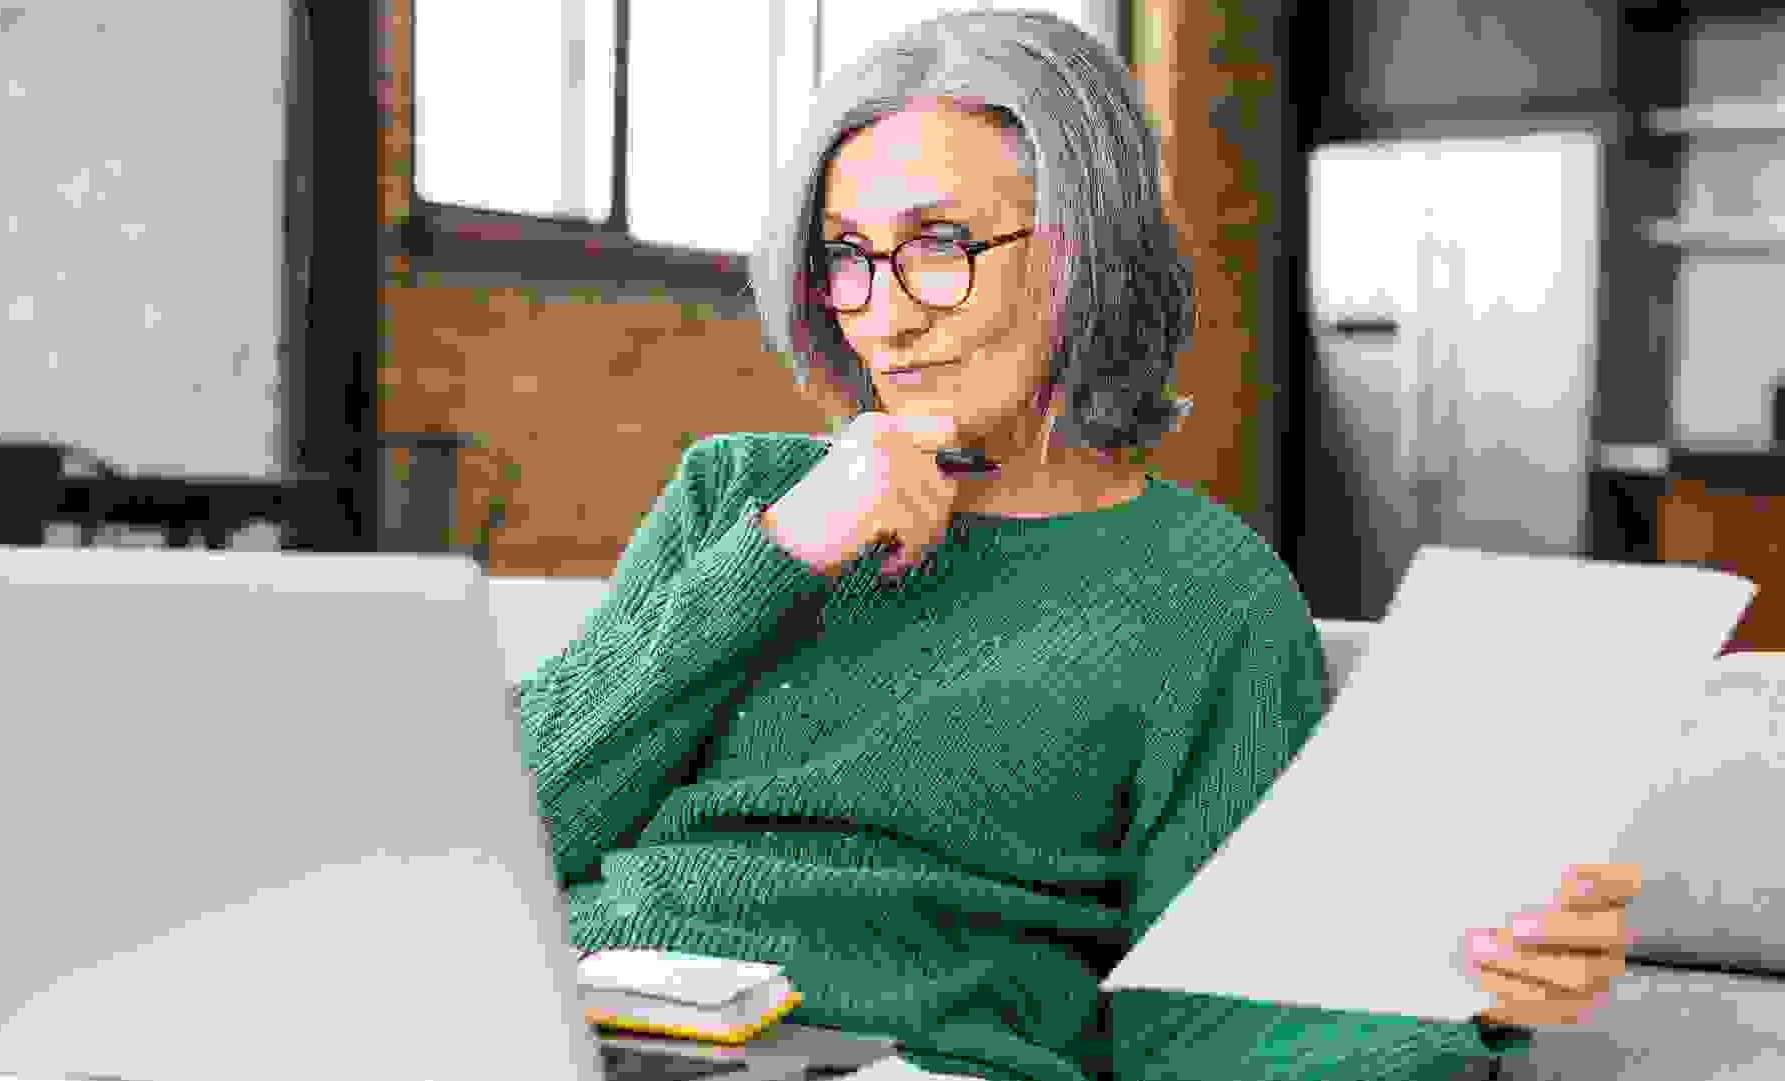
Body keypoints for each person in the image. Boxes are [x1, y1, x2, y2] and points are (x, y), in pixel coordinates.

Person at [520, 10, 1611, 1080]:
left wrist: (1464, 997)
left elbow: (1200, 1020)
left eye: (938, 246)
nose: (883, 316)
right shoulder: (743, 497)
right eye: (847, 257)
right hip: (564, 1016)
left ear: (1087, 254)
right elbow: (510, 830)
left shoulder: (1206, 594)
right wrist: (779, 552)